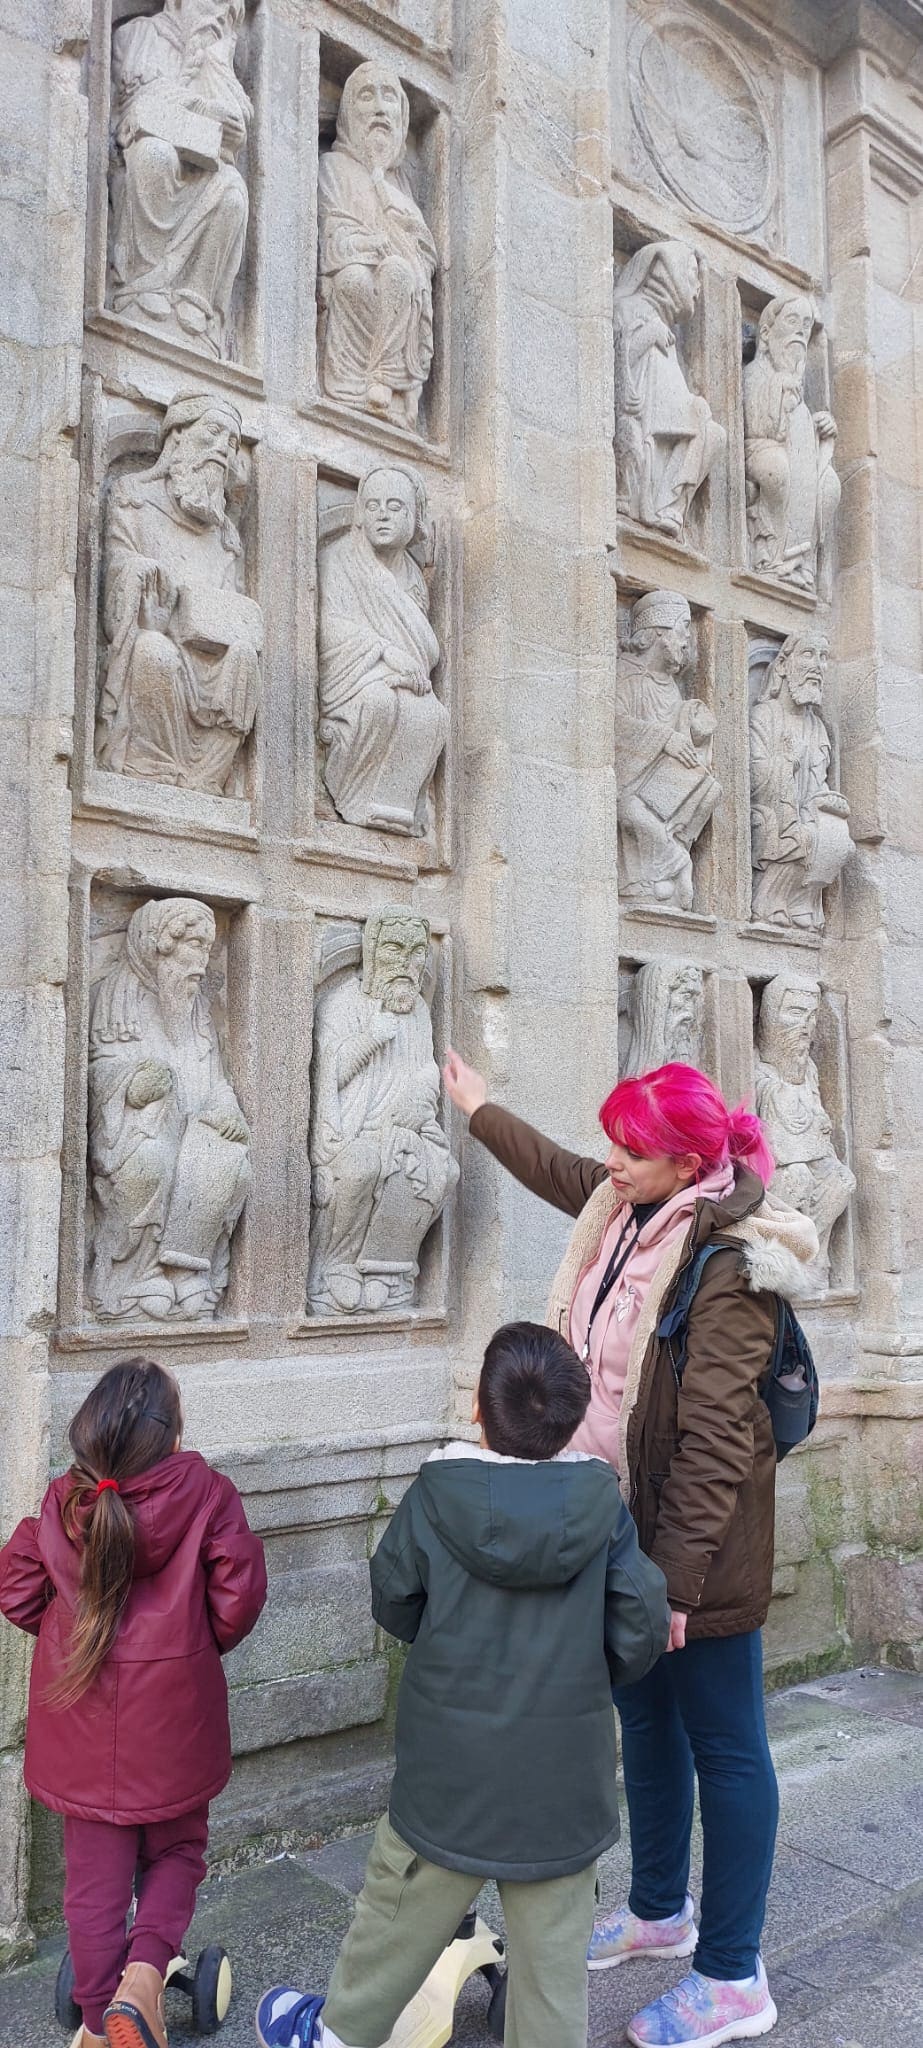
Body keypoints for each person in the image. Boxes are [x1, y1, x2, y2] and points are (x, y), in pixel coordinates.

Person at [441, 1053, 820, 2048]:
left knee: (726, 1743)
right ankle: (659, 1907)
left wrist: (672, 1582)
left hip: (693, 1554)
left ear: (687, 1162)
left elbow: (714, 1446)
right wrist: (481, 1107)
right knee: (645, 1726)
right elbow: (566, 1171)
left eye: (631, 1147)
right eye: (612, 1138)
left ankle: (733, 1973)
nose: (609, 1159)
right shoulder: (622, 1206)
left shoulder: (730, 1267)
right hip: (613, 1533)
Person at [255, 1319, 671, 2048]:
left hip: (448, 1773)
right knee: (549, 1976)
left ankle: (336, 2034)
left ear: (478, 1406)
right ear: (575, 1419)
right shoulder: (601, 1509)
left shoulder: (434, 1495)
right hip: (561, 1781)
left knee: (394, 1921)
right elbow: (638, 1624)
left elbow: (394, 1596)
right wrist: (580, 1675)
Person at [0, 1355, 266, 2048]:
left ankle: (95, 2024)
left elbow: (17, 1588)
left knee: (93, 1883)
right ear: (174, 1437)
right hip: (176, 1722)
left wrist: (67, 1638)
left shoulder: (64, 1502)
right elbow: (237, 1600)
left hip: (80, 1731)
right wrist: (187, 1646)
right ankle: (145, 1975)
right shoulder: (207, 1493)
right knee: (177, 1848)